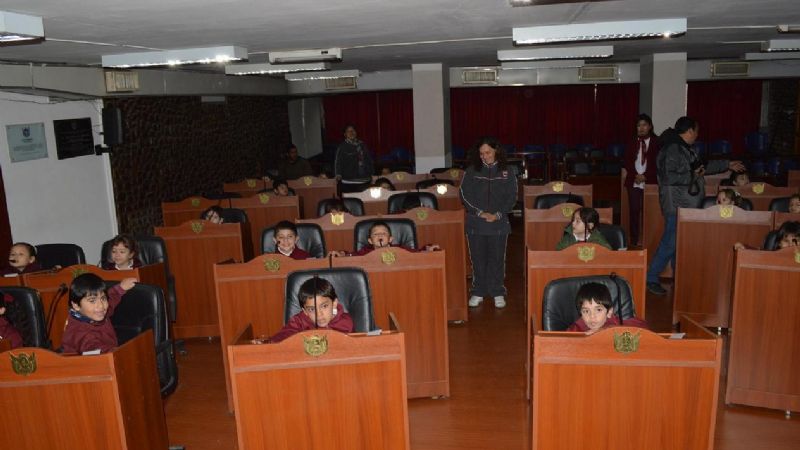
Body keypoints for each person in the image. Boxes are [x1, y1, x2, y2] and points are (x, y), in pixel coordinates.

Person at [646, 116, 745, 295]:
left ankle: (678, 277)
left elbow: (701, 167)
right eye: (696, 131)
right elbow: (669, 177)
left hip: (684, 202)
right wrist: (693, 175)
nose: (698, 135)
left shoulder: (684, 148)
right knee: (670, 242)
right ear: (690, 131)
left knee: (678, 242)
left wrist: (726, 164)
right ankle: (650, 277)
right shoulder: (673, 149)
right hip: (676, 203)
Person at [460, 137, 518, 309]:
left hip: (498, 223)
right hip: (476, 222)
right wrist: (480, 213)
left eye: (488, 152)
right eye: (481, 153)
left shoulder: (507, 171)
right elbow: (464, 195)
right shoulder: (472, 171)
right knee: (478, 259)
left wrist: (497, 215)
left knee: (497, 259)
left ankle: (497, 291)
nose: (484, 156)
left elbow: (512, 196)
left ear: (496, 151)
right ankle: (478, 291)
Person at [62, 274, 137, 354]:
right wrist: (122, 353)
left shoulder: (94, 313)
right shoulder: (78, 331)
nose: (101, 305)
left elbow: (110, 299)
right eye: (92, 301)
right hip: (90, 363)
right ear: (76, 306)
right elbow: (95, 351)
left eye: (103, 298)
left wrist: (120, 288)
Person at [267, 277, 354, 343]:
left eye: (324, 306)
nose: (319, 315)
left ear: (334, 303)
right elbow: (284, 335)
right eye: (312, 309)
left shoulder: (346, 322)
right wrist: (270, 342)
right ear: (305, 311)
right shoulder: (299, 321)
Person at [624, 114, 659, 247]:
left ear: (650, 126)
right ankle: (634, 239)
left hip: (650, 181)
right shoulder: (632, 141)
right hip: (634, 180)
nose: (641, 128)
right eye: (639, 125)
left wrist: (645, 176)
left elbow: (658, 163)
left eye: (644, 125)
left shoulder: (657, 142)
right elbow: (627, 161)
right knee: (634, 210)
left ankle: (648, 238)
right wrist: (636, 176)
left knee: (649, 211)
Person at [567, 283, 648, 335]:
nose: (592, 316)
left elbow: (645, 331)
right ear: (581, 313)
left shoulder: (620, 323)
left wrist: (607, 330)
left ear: (609, 312)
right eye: (586, 311)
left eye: (598, 310)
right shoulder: (575, 330)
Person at [349, 221, 439, 256]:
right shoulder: (365, 252)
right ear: (370, 241)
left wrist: (428, 248)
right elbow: (351, 256)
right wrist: (341, 253)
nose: (380, 235)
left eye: (384, 233)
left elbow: (417, 253)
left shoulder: (399, 249)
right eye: (376, 234)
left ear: (390, 239)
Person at [735, 221, 800, 251]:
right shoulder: (773, 256)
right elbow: (760, 253)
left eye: (795, 241)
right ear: (779, 243)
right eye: (786, 241)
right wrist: (744, 247)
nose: (791, 245)